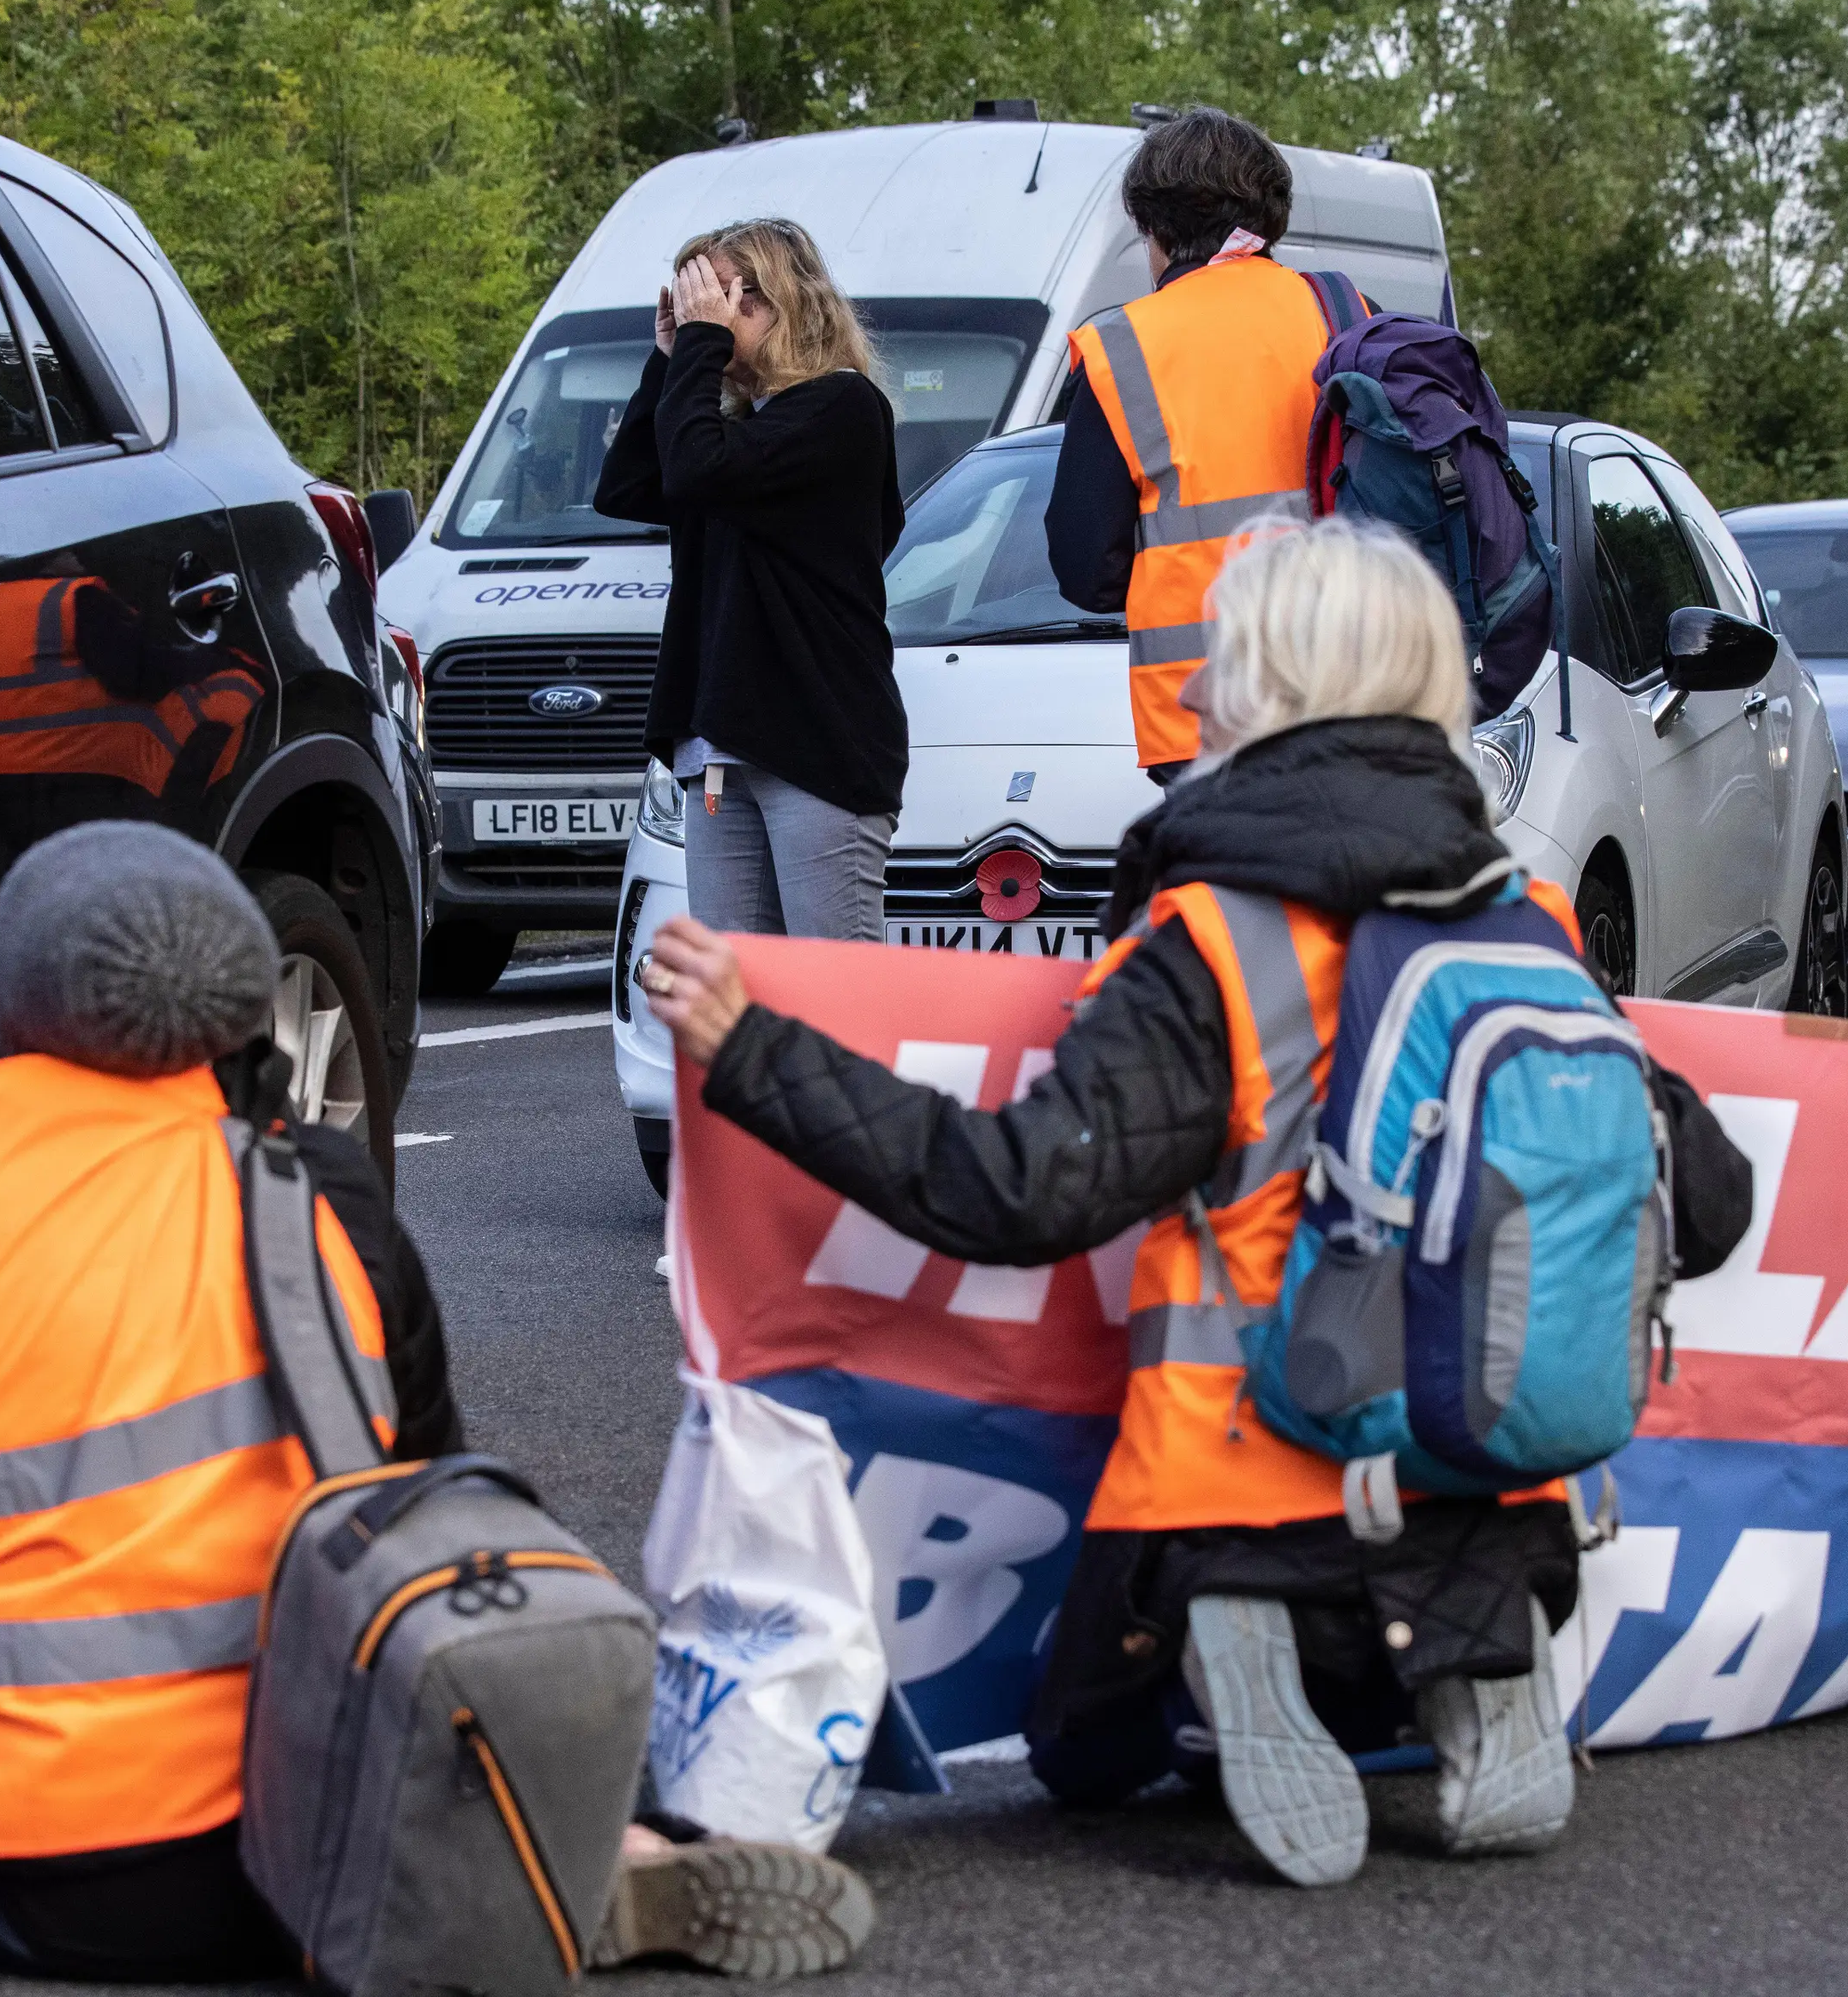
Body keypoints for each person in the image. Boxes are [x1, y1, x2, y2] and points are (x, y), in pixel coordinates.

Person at [641, 519, 1590, 1886]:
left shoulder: (1216, 939)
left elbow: (1019, 1186)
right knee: (1437, 1570)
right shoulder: (1533, 927)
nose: (1190, 692)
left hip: (1241, 1484)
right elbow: (1705, 1197)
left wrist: (755, 1049)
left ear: (1267, 689)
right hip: (1505, 1491)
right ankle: (1482, 1662)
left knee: (1081, 1759)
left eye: (1215, 661)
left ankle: (1238, 1642)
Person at [0, 821, 873, 1979]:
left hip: (83, 1871)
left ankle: (502, 1875)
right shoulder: (319, 1185)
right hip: (361, 1816)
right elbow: (428, 1500)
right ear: (237, 1000)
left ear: (12, 991)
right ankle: (546, 1861)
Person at [598, 219, 906, 941]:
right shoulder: (731, 428)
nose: (700, 312)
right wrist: (670, 358)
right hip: (722, 746)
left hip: (817, 744)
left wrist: (700, 354)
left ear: (774, 301)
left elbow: (701, 468)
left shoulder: (842, 408)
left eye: (715, 296)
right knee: (740, 1004)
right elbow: (629, 486)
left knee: (834, 1003)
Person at [1044, 108, 1343, 783]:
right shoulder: (1346, 314)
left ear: (1156, 229)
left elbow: (1084, 566)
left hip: (1203, 713)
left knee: (1227, 890)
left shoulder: (1119, 347)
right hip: (1357, 685)